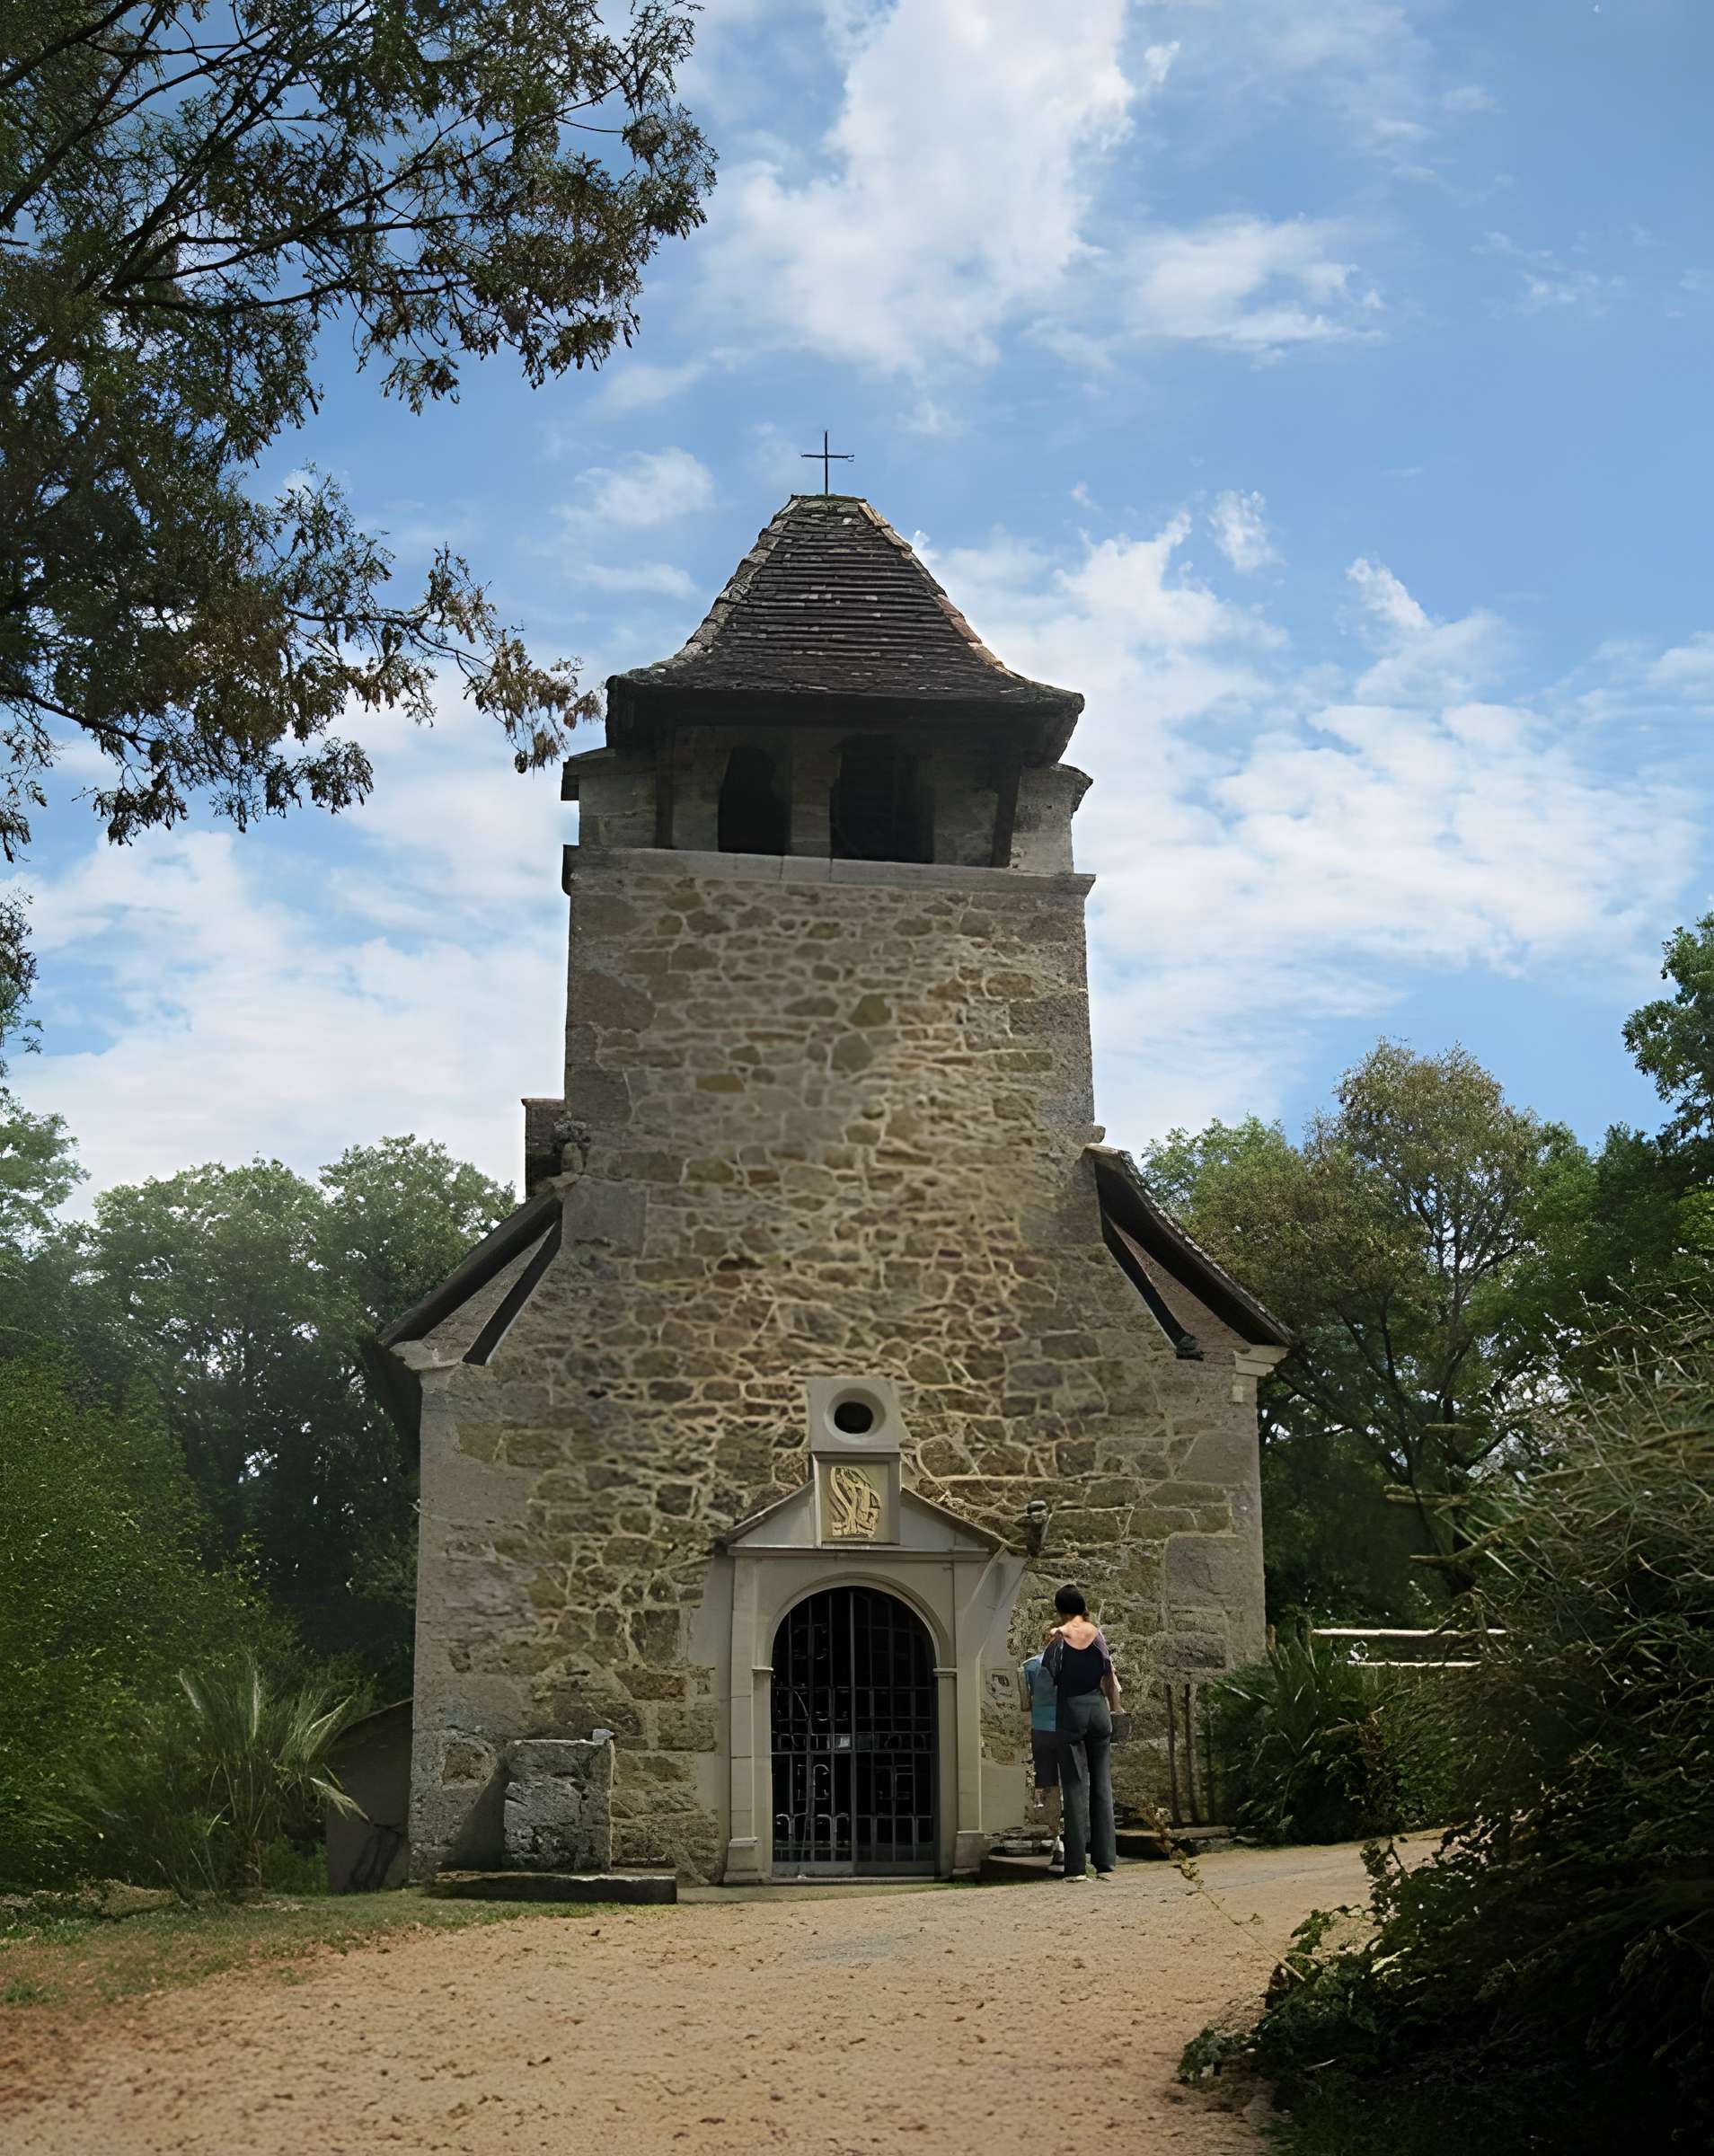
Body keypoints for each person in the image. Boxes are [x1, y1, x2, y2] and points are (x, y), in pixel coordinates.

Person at [1042, 1584, 1120, 1882]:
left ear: (1060, 1609)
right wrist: (1114, 1706)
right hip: (1099, 1710)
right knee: (1102, 1785)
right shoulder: (1097, 1634)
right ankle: (1106, 1864)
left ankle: (1076, 1867)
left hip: (1072, 1709)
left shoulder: (1059, 1637)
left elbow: (1049, 1670)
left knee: (1075, 1786)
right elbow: (1107, 1671)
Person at [1019, 1624, 1065, 1869]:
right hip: (1069, 1731)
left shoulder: (1031, 1666)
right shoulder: (1077, 1665)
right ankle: (1066, 1839)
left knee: (1047, 1785)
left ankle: (1055, 1836)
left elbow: (1025, 1704)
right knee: (1070, 1784)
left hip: (1043, 1731)